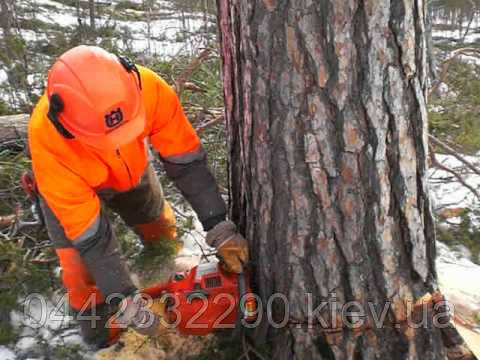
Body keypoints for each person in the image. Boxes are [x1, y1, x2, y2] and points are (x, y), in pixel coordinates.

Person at [28, 45, 249, 349]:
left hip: (130, 168)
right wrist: (123, 296)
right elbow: (92, 237)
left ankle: (162, 280)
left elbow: (186, 161)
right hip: (70, 184)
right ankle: (102, 337)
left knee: (159, 228)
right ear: (64, 125)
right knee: (81, 269)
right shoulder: (48, 142)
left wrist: (218, 224)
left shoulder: (149, 88)